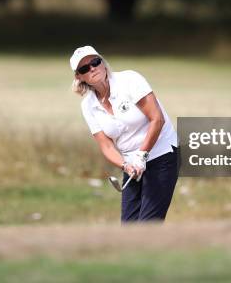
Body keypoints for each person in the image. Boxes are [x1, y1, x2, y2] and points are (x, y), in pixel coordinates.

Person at [70, 45, 179, 222]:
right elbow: (106, 146)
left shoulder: (129, 80)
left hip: (162, 155)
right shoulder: (88, 105)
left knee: (148, 226)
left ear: (103, 63)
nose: (92, 68)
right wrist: (125, 165)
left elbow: (157, 119)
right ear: (79, 76)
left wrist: (141, 155)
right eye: (84, 68)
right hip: (132, 165)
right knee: (128, 228)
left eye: (95, 62)